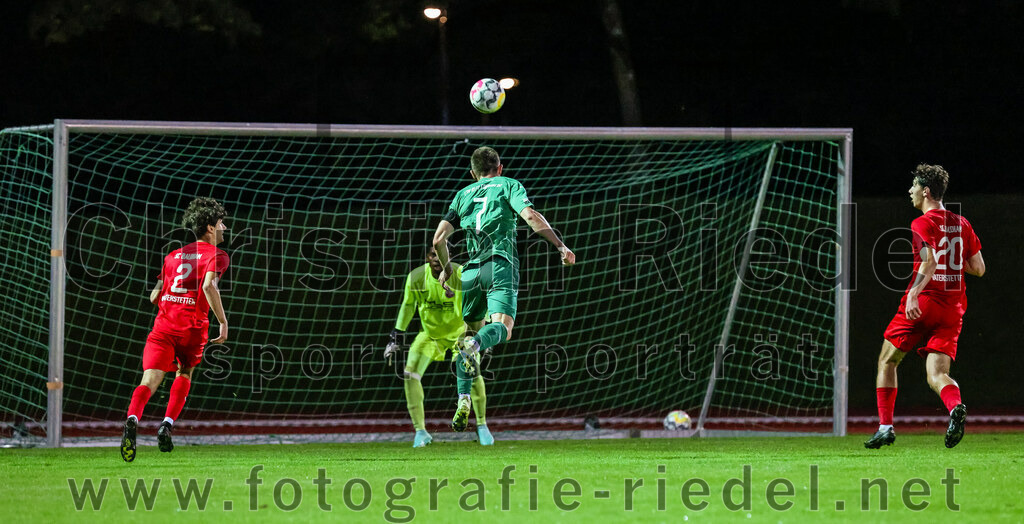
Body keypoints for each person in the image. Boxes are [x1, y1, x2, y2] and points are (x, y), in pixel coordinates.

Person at [432, 146, 576, 435]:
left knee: (471, 334)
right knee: (502, 330)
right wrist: (560, 245)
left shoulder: (462, 195)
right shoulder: (509, 184)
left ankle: (462, 398)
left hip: (471, 272)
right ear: (500, 168)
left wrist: (448, 270)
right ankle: (473, 347)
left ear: (472, 174)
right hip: (499, 264)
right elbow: (532, 217)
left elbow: (438, 239)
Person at [865, 165, 984, 450]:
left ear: (926, 191)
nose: (910, 192)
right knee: (937, 374)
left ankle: (885, 427)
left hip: (926, 300)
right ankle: (955, 408)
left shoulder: (921, 223)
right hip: (953, 308)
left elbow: (929, 262)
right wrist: (953, 265)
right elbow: (978, 268)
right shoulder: (962, 223)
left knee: (887, 360)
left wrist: (914, 294)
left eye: (914, 187)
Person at [120, 197, 230, 462]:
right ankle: (167, 424)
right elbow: (207, 287)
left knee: (149, 380)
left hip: (164, 328)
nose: (225, 227)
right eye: (221, 223)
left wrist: (172, 298)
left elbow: (153, 297)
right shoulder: (218, 255)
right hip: (191, 329)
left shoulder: (173, 256)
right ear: (209, 228)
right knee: (185, 372)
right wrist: (224, 323)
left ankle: (132, 418)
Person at [386, 246, 490, 447]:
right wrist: (396, 335)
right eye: (432, 254)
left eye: (441, 253)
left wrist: (481, 334)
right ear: (427, 257)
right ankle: (421, 432)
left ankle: (482, 425)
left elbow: (478, 301)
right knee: (410, 374)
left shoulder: (461, 274)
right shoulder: (417, 277)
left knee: (473, 373)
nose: (437, 258)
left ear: (449, 256)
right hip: (430, 336)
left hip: (460, 334)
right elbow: (408, 306)